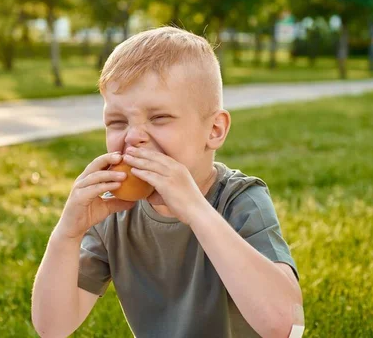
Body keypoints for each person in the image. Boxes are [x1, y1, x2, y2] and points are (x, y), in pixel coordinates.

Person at [31, 26, 304, 337]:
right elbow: (52, 328)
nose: (133, 137)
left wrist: (195, 210)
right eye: (117, 122)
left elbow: (287, 326)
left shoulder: (240, 200)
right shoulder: (114, 216)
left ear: (214, 130)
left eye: (159, 118)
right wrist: (67, 233)